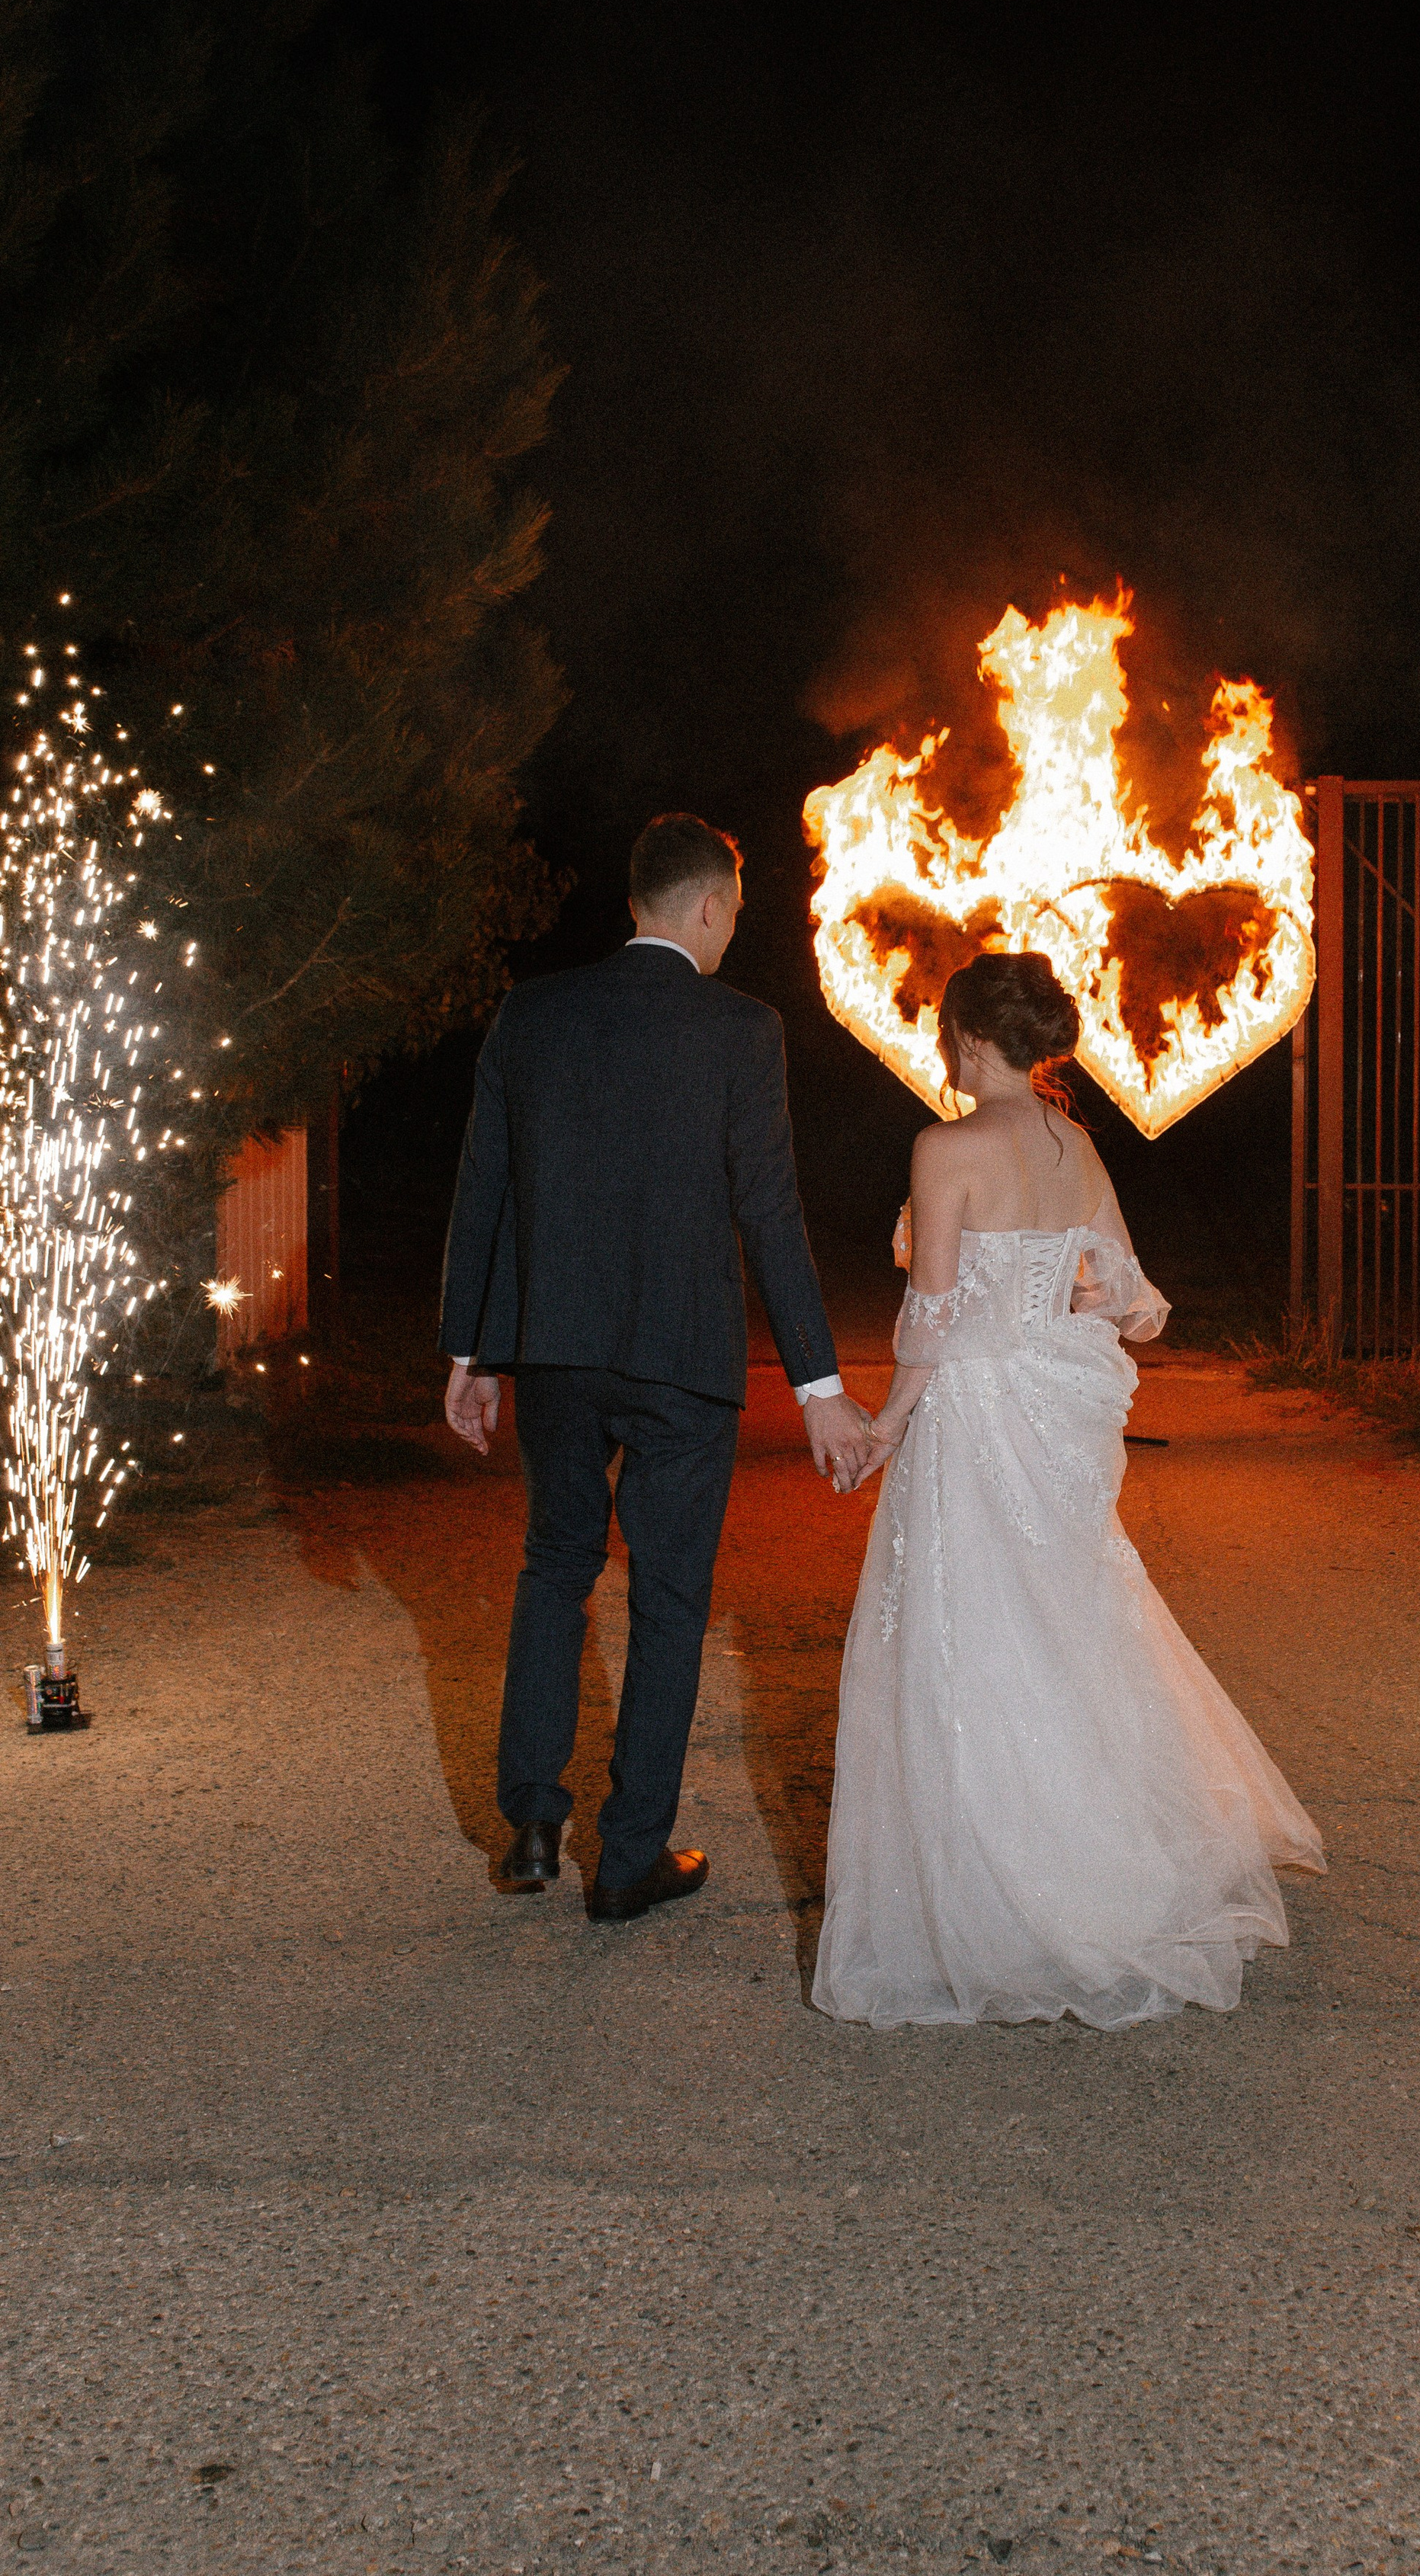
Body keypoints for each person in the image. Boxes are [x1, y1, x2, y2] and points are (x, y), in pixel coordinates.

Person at [812, 950, 1325, 2029]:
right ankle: (1107, 1865)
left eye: (946, 1036)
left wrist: (886, 1424)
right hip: (1057, 1414)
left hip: (977, 1419)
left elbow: (935, 1318)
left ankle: (995, 1903)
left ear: (965, 1038)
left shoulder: (943, 1144)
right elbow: (1131, 1297)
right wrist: (1049, 1304)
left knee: (971, 1637)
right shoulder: (1081, 1146)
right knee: (1067, 1626)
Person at [439, 812, 872, 1920]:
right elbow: (768, 1208)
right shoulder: (743, 1029)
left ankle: (534, 1817)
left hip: (558, 1351)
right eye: (736, 914)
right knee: (671, 1602)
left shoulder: (534, 1013)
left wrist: (473, 1351)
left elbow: (486, 1185)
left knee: (556, 1565)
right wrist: (819, 1388)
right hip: (684, 1359)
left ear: (634, 902)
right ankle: (629, 1856)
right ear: (712, 907)